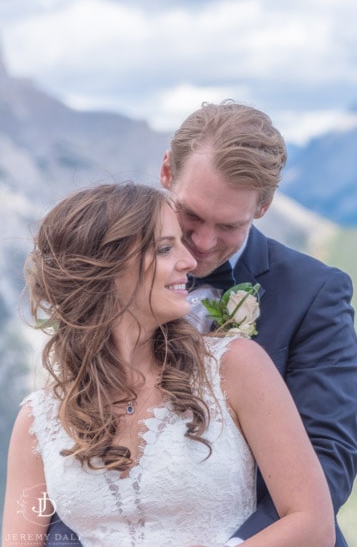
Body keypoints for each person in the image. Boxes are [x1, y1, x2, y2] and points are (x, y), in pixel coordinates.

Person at [41, 100, 357, 547]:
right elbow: (69, 456)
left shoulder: (313, 292)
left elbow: (331, 455)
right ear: (167, 173)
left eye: (229, 225)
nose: (203, 243)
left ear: (265, 206)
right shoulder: (110, 277)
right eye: (190, 215)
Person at [3, 182, 336, 547]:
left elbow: (312, 524)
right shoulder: (40, 421)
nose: (190, 262)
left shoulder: (233, 367)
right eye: (165, 248)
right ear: (106, 270)